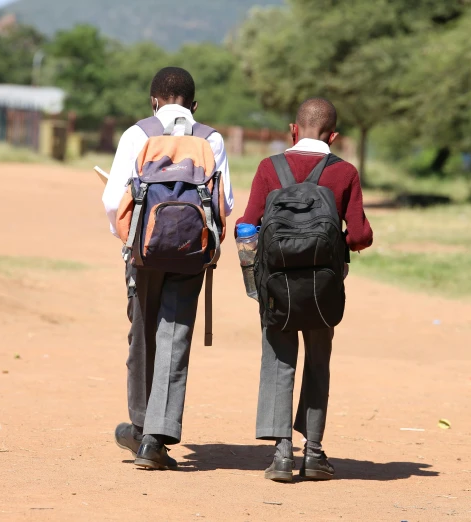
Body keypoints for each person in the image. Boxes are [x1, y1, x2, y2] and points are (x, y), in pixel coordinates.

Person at [102, 67, 234, 469]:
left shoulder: (137, 134)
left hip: (143, 249)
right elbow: (224, 202)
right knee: (174, 333)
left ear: (153, 100)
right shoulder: (211, 138)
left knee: (141, 330)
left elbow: (112, 201)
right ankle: (155, 439)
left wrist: (130, 240)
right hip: (193, 251)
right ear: (194, 106)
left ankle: (140, 427)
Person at [238, 98, 373, 481]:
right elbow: (361, 235)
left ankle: (281, 455)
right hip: (322, 286)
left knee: (278, 359)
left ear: (293, 130)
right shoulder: (344, 172)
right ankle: (313, 453)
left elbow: (248, 224)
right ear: (334, 136)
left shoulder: (270, 168)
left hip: (276, 285)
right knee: (317, 362)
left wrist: (254, 278)